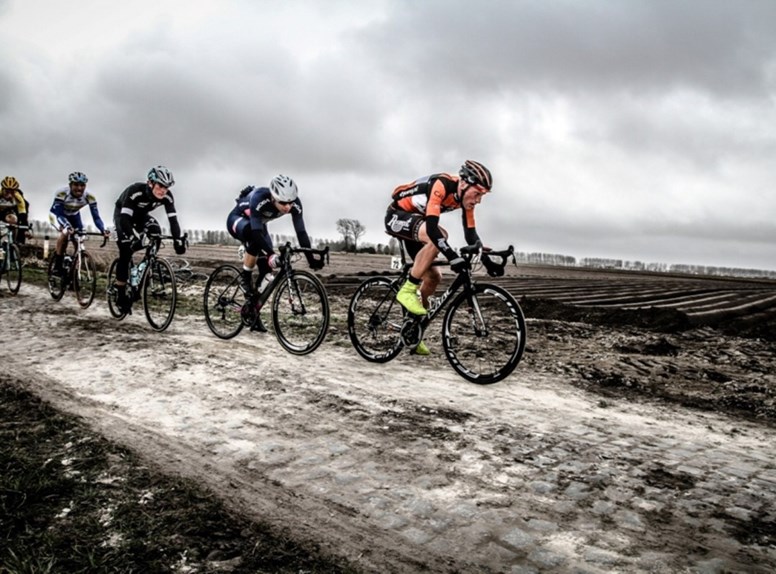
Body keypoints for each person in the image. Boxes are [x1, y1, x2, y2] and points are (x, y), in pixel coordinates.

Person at [384, 159, 499, 355]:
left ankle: (413, 332)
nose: (478, 200)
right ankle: (407, 290)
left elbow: (471, 236)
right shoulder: (442, 185)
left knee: (434, 277)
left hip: (416, 224)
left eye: (483, 196)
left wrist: (486, 257)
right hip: (397, 215)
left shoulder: (465, 199)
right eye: (478, 193)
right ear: (463, 183)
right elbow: (432, 229)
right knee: (439, 235)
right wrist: (452, 256)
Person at [226, 174, 323, 332]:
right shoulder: (260, 197)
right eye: (283, 202)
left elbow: (302, 233)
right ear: (273, 197)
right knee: (254, 237)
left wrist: (311, 259)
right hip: (238, 220)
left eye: (290, 202)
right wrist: (271, 254)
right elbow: (257, 233)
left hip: (258, 225)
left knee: (267, 272)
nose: (287, 207)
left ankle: (253, 312)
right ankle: (245, 277)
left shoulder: (294, 204)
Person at [112, 166, 187, 314]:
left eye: (166, 187)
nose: (163, 190)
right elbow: (125, 219)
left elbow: (173, 221)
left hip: (140, 217)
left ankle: (143, 271)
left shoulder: (167, 196)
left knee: (156, 233)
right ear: (150, 183)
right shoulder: (135, 191)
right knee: (126, 251)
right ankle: (120, 295)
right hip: (123, 217)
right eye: (160, 186)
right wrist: (133, 238)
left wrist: (178, 240)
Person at [48, 172, 111, 274]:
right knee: (65, 233)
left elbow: (96, 217)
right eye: (76, 185)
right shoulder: (62, 193)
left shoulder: (90, 196)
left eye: (82, 185)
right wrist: (66, 226)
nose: (79, 188)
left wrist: (102, 229)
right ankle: (57, 265)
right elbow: (59, 214)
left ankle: (74, 271)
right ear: (70, 185)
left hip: (74, 215)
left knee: (79, 240)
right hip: (58, 215)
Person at [0, 176, 32, 243]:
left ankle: (13, 243)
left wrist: (26, 229)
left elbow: (23, 215)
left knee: (14, 219)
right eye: (7, 192)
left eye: (12, 192)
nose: (9, 195)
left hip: (9, 212)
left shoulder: (18, 198)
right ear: (2, 189)